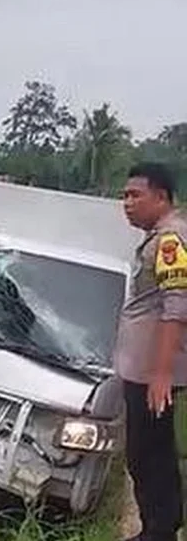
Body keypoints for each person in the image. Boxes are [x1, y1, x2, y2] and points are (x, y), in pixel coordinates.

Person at [116, 162, 187, 541]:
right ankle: (158, 529)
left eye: (135, 195)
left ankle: (159, 532)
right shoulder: (159, 237)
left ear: (161, 197)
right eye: (124, 196)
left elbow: (177, 306)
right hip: (144, 369)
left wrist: (161, 373)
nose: (126, 203)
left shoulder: (170, 240)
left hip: (153, 373)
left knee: (148, 454)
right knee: (147, 452)